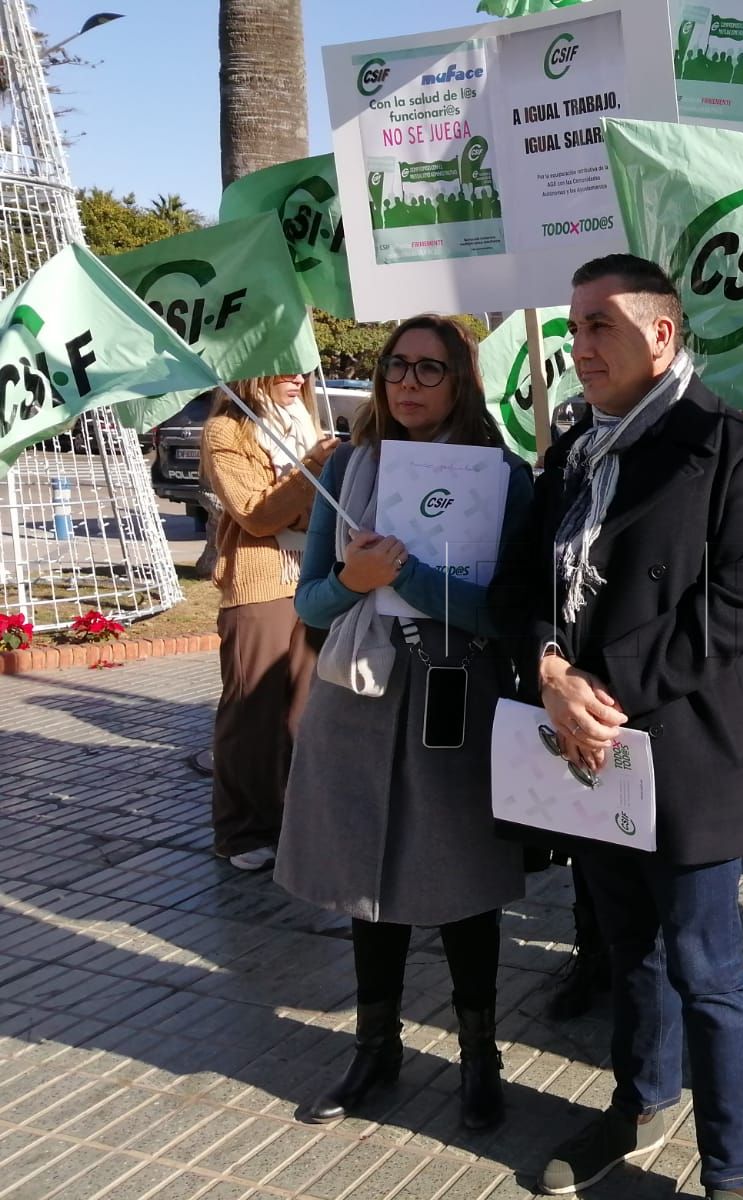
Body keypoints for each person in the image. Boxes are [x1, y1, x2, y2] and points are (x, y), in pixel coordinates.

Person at [493, 254, 743, 1199]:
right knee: (627, 947)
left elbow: (742, 605)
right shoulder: (576, 446)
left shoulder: (737, 447)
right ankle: (637, 1100)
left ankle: (732, 1172)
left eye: (598, 326)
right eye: (575, 327)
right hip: (587, 745)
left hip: (684, 745)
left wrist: (595, 685)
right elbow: (527, 580)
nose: (578, 346)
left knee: (709, 968)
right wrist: (546, 666)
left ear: (660, 334)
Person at [275, 315, 532, 1132]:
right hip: (357, 695)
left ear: (461, 379)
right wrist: (354, 579)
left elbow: (509, 615)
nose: (407, 383)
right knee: (364, 877)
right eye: (396, 367)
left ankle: (478, 1056)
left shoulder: (504, 476)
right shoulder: (347, 467)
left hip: (458, 695)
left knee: (462, 883)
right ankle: (374, 1047)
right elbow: (310, 600)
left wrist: (413, 579)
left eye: (429, 369)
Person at [199, 373, 339, 871]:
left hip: (316, 581)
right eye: (282, 363)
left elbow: (313, 509)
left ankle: (294, 822)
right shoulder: (225, 431)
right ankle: (241, 831)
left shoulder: (309, 422)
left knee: (307, 713)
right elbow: (256, 515)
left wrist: (299, 502)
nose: (297, 375)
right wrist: (313, 469)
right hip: (262, 585)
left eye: (300, 363)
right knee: (252, 713)